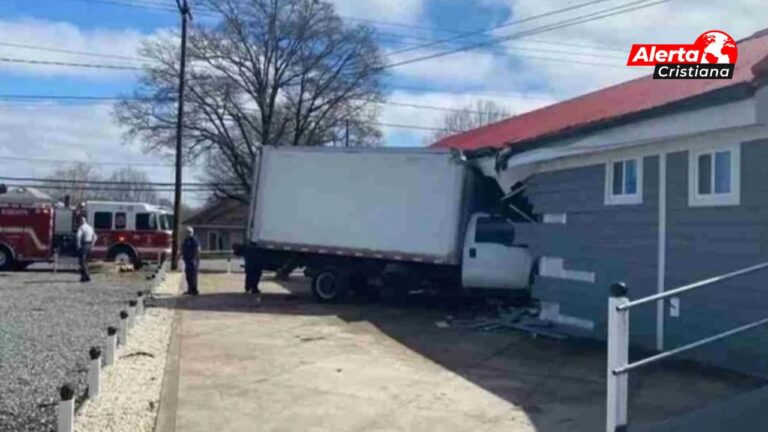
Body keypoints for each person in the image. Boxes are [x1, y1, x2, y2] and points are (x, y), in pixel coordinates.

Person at [76, 216, 97, 282]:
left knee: (82, 261)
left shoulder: (81, 227)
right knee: (86, 261)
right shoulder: (90, 227)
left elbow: (78, 236)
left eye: (80, 221)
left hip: (84, 245)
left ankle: (87, 276)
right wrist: (92, 244)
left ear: (81, 221)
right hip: (89, 245)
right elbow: (95, 237)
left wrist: (78, 245)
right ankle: (83, 277)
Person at [181, 227, 200, 295]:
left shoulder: (194, 240)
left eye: (189, 232)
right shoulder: (186, 240)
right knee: (188, 276)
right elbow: (183, 248)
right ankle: (189, 289)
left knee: (193, 276)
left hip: (193, 260)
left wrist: (194, 259)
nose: (187, 234)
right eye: (187, 232)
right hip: (187, 260)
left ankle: (194, 290)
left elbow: (197, 249)